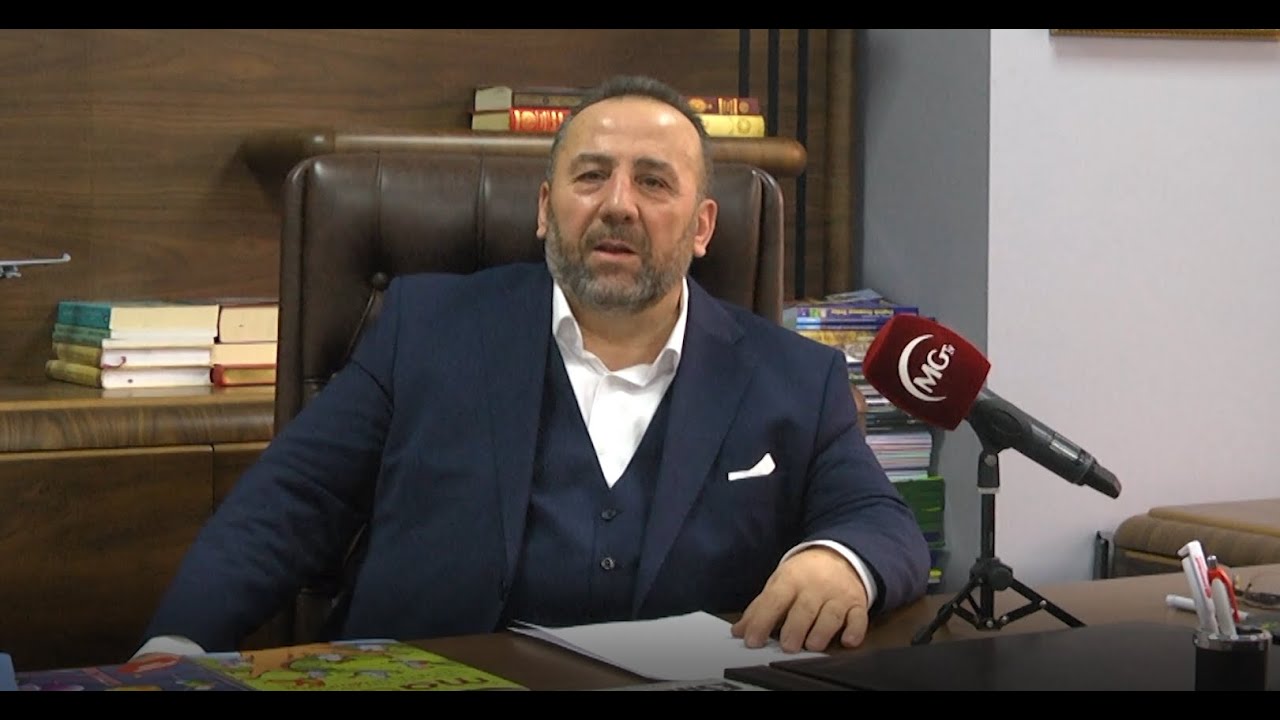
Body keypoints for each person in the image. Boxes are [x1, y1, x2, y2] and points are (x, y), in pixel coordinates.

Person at [138, 74, 930, 660]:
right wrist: (174, 649)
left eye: (654, 182)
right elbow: (288, 505)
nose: (618, 203)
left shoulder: (795, 379)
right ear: (548, 210)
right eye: (591, 176)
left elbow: (881, 521)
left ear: (702, 227)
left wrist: (842, 561)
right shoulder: (426, 330)